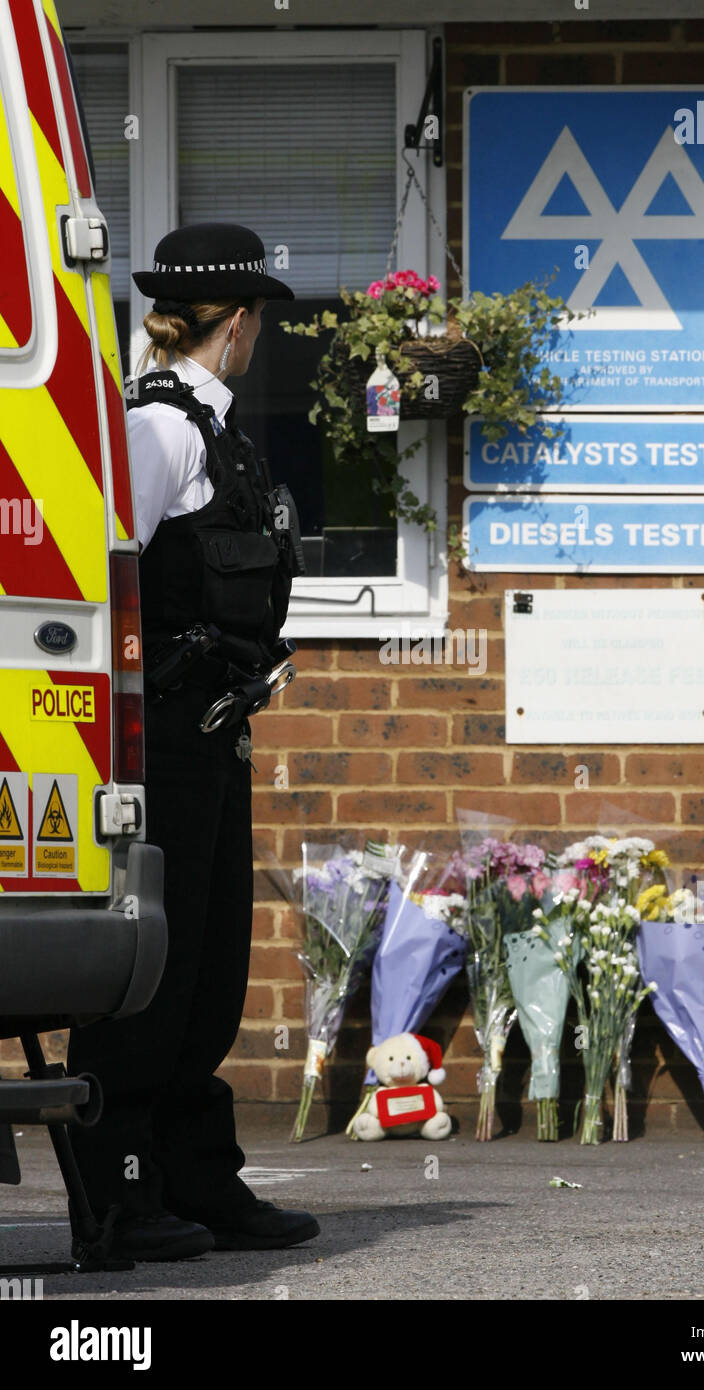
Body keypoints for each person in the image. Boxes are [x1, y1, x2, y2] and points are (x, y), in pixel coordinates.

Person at [67, 223, 317, 1263]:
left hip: (212, 736)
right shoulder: (160, 430)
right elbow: (100, 574)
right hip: (160, 738)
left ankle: (198, 1175)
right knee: (157, 972)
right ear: (241, 322)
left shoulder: (214, 429)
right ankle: (122, 1189)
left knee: (210, 968)